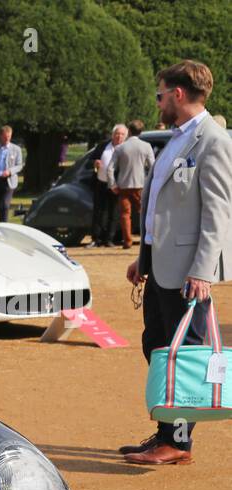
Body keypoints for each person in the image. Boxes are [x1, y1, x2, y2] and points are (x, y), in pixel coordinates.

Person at [122, 59, 232, 465]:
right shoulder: (176, 138)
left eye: (160, 94)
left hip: (189, 273)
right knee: (157, 347)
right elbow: (160, 208)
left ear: (178, 94)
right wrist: (143, 258)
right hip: (161, 269)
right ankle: (166, 432)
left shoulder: (213, 141)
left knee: (184, 355)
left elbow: (218, 212)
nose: (158, 102)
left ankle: (178, 443)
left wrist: (202, 270)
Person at [107, 119, 153, 250]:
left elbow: (110, 168)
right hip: (140, 185)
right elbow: (153, 167)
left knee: (125, 214)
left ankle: (127, 241)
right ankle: (147, 239)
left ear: (129, 131)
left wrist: (112, 184)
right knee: (144, 213)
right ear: (141, 132)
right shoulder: (146, 146)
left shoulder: (121, 148)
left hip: (124, 186)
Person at [92, 125, 125, 246]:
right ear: (113, 134)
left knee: (113, 213)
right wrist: (95, 162)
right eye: (117, 133)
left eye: (122, 134)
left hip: (116, 185)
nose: (119, 136)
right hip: (100, 182)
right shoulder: (103, 146)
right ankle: (96, 239)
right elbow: (93, 158)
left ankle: (109, 239)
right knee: (99, 211)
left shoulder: (125, 148)